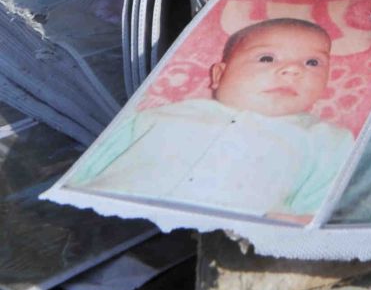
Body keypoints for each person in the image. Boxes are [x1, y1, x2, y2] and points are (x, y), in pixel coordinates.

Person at [67, 18, 352, 221]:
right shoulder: (158, 116)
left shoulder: (327, 139)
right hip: (105, 214)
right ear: (218, 75)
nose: (292, 70)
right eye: (267, 58)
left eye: (312, 63)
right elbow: (87, 167)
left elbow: (316, 209)